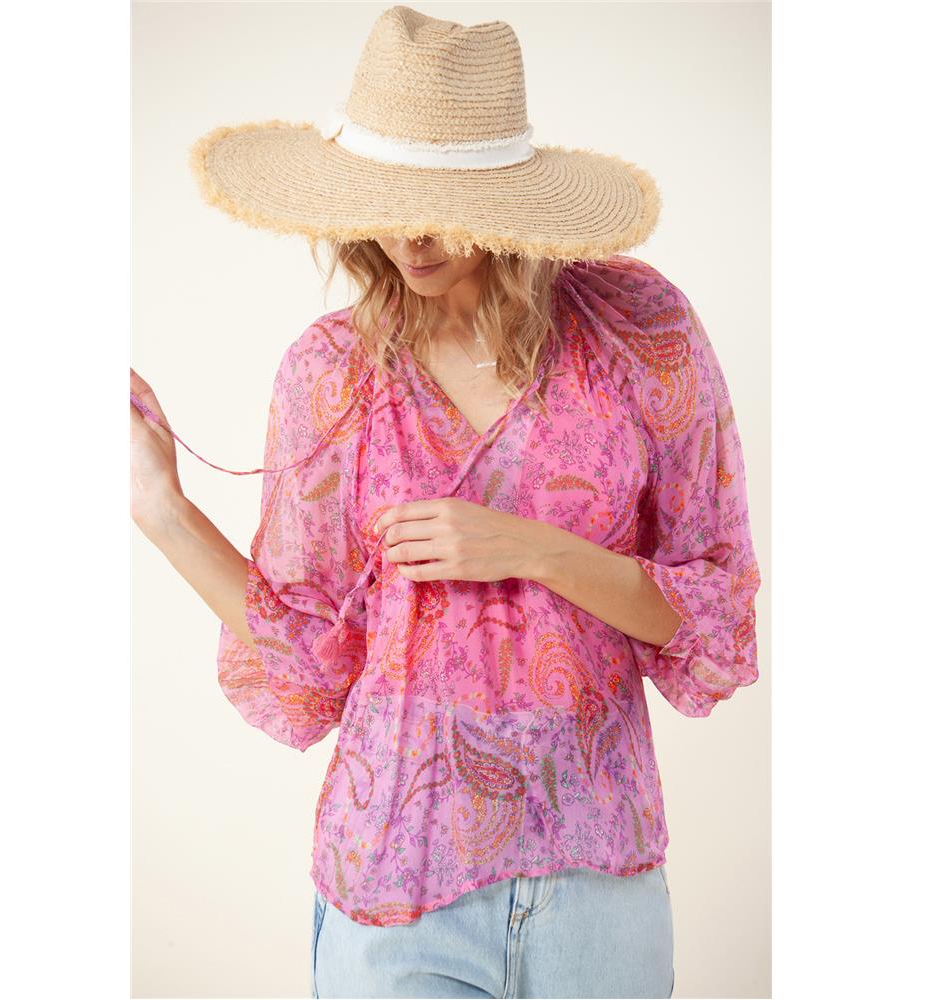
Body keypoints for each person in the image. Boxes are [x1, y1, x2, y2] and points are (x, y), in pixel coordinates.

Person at [130, 6, 761, 998]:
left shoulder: (637, 330)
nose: (409, 236)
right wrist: (160, 509)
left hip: (597, 880)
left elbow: (714, 612)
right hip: (397, 884)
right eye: (386, 201)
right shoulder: (330, 375)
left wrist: (533, 548)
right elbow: (308, 657)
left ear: (505, 200)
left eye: (440, 204)